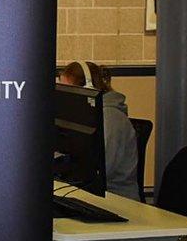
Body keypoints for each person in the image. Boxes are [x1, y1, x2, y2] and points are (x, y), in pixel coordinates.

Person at [58, 61, 140, 200]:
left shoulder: (112, 118)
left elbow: (102, 169)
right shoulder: (83, 117)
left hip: (117, 200)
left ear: (87, 89)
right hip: (91, 195)